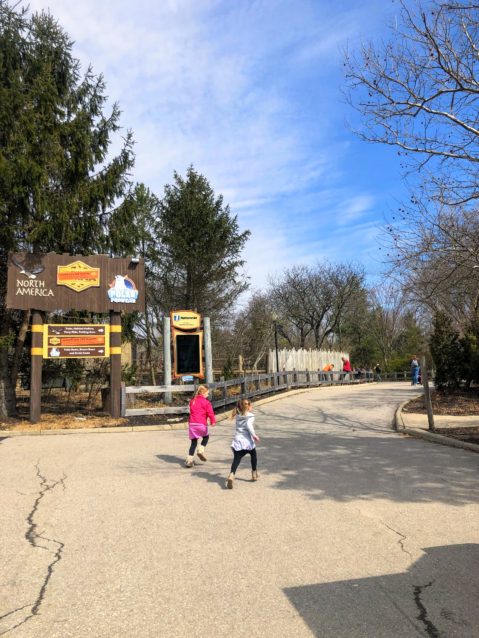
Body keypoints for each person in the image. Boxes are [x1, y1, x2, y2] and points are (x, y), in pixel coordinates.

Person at [226, 399, 260, 489]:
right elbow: (249, 426)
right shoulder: (250, 416)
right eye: (250, 404)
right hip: (247, 441)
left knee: (236, 459)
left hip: (238, 440)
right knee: (253, 455)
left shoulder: (238, 415)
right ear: (248, 406)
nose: (252, 406)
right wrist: (254, 435)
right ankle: (254, 473)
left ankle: (231, 474)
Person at [185, 385, 216, 468]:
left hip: (192, 424)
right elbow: (210, 413)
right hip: (201, 424)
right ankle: (200, 450)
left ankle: (189, 460)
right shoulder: (206, 402)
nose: (208, 395)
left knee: (193, 443)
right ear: (203, 393)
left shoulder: (192, 401)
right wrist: (213, 421)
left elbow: (191, 412)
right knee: (206, 437)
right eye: (207, 393)